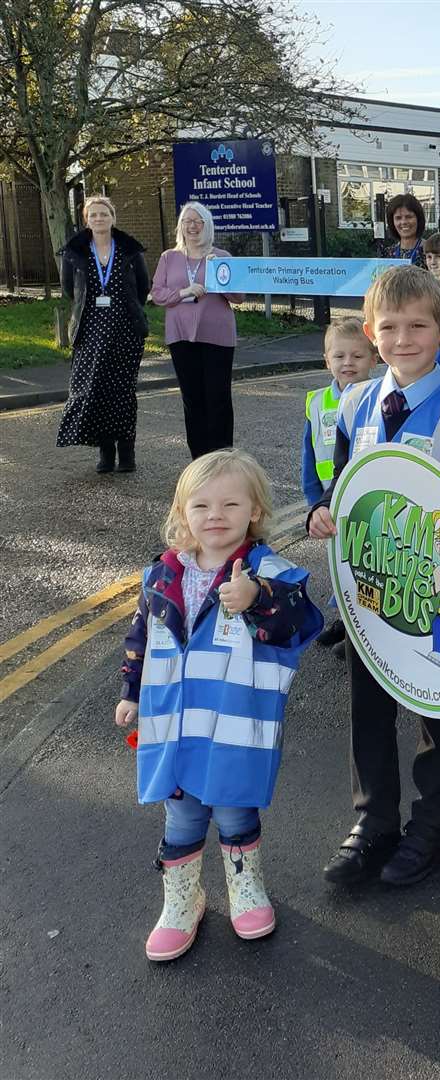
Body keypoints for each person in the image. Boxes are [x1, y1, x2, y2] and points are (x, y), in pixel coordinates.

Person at [307, 266, 440, 888]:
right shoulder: (355, 401)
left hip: (437, 594)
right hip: (369, 588)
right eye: (390, 327)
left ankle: (435, 825)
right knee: (368, 707)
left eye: (419, 326)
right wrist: (322, 510)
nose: (405, 338)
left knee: (436, 712)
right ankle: (374, 821)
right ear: (370, 331)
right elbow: (341, 483)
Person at [115, 449, 322, 961]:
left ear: (254, 510)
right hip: (175, 726)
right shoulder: (160, 577)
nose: (215, 516)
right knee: (181, 818)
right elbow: (140, 639)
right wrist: (131, 692)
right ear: (182, 512)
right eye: (201, 505)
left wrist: (257, 599)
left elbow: (300, 623)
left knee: (234, 811)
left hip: (234, 728)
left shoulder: (271, 572)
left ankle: (244, 885)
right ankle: (182, 900)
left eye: (231, 504)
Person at [302, 317, 379, 654]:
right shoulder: (317, 401)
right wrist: (314, 500)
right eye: (340, 356)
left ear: (373, 359)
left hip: (366, 502)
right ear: (327, 360)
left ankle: (359, 632)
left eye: (357, 356)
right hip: (329, 500)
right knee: (340, 562)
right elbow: (309, 450)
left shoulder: (378, 399)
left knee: (366, 566)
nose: (348, 363)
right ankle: (346, 620)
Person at [57, 195, 150, 474]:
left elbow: (143, 287)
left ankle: (127, 453)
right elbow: (70, 290)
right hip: (90, 332)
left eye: (104, 214)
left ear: (113, 218)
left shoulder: (129, 250)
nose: (99, 219)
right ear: (87, 219)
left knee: (122, 393)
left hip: (125, 331)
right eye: (94, 214)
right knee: (94, 391)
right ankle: (105, 453)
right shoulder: (76, 251)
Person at [151, 201, 244, 460]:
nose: (192, 226)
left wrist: (217, 277)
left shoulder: (221, 257)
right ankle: (200, 460)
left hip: (217, 335)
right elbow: (157, 293)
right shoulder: (169, 258)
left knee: (218, 398)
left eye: (198, 221)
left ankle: (223, 457)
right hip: (181, 335)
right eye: (187, 222)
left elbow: (239, 296)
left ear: (207, 225)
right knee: (192, 400)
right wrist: (183, 292)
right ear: (181, 227)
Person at [383, 194, 428, 267]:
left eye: (409, 217)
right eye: (398, 218)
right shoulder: (387, 254)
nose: (403, 222)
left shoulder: (430, 252)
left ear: (418, 219)